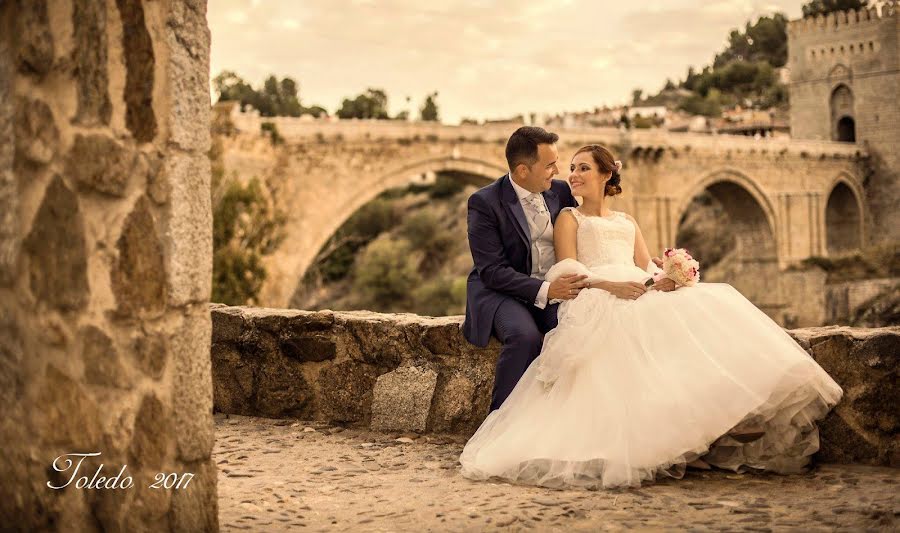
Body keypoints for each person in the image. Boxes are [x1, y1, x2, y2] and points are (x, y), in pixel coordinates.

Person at [459, 144, 843, 489]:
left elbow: (646, 265)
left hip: (634, 284)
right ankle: (505, 424)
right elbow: (566, 267)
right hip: (590, 291)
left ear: (607, 174)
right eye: (565, 167)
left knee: (703, 306)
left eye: (580, 168)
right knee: (619, 328)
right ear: (525, 169)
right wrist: (610, 288)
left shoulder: (622, 219)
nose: (568, 174)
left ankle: (716, 423)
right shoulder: (566, 216)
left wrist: (670, 276)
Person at [462, 127, 602, 412]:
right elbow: (492, 271)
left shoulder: (560, 191)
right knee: (524, 337)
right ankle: (499, 424)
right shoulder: (484, 203)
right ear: (523, 170)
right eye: (550, 165)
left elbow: (587, 229)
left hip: (553, 289)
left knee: (584, 329)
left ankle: (574, 418)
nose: (558, 170)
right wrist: (548, 290)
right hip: (501, 292)